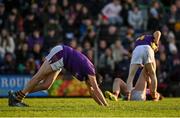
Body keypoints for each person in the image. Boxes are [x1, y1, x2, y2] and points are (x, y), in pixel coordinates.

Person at [8, 45, 108, 107]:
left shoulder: (87, 77)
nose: (91, 85)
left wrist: (102, 106)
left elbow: (93, 93)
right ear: (94, 78)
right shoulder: (91, 71)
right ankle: (17, 99)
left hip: (62, 60)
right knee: (39, 76)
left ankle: (17, 95)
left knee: (46, 85)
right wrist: (107, 106)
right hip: (61, 53)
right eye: (93, 83)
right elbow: (96, 89)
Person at [126, 31, 161, 100]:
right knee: (152, 74)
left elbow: (138, 52)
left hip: (137, 49)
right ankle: (154, 95)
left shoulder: (138, 40)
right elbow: (158, 32)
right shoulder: (151, 37)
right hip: (147, 48)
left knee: (130, 77)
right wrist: (156, 43)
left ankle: (128, 95)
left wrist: (140, 63)